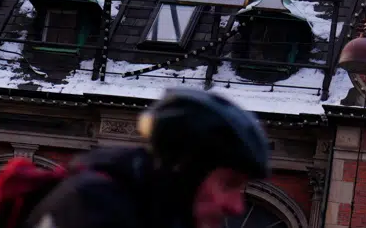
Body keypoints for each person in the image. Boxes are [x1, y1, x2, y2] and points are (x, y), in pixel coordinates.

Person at [22, 88, 270, 228]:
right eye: (228, 184)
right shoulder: (95, 210)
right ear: (185, 170)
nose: (236, 206)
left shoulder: (150, 210)